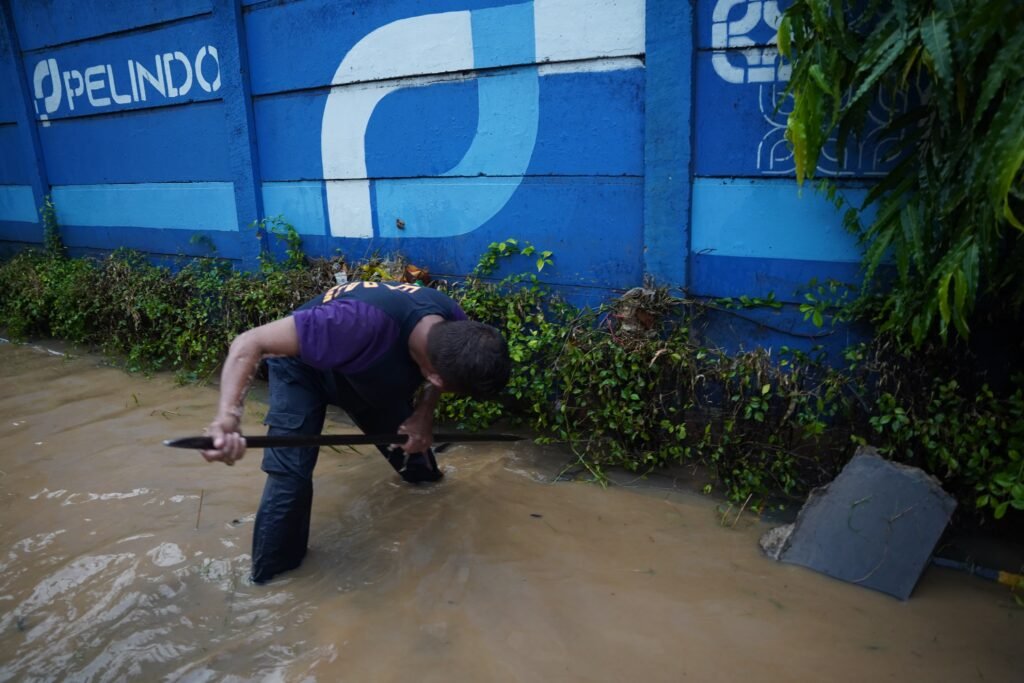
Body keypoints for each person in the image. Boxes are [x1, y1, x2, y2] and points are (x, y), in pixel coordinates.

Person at [200, 279, 511, 583]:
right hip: (302, 370)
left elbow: (440, 373)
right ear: (437, 377)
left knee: (417, 459)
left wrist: (423, 415)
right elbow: (248, 342)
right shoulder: (353, 322)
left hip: (369, 374)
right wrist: (227, 418)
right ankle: (273, 582)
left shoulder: (454, 323)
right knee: (290, 476)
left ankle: (421, 475)